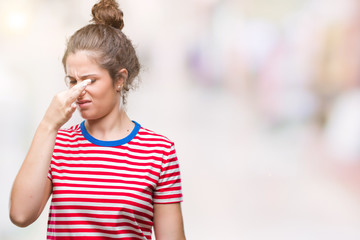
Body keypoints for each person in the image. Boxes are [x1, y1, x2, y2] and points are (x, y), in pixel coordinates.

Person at [9, 0, 186, 239]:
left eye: (90, 80)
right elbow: (20, 215)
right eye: (73, 81)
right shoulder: (57, 144)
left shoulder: (159, 152)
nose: (79, 91)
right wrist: (48, 125)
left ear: (119, 79)